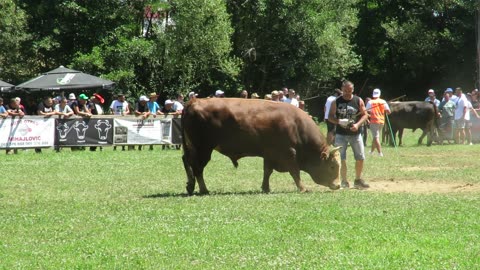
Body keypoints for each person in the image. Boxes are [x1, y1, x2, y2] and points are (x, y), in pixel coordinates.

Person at [328, 80, 369, 189]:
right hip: (341, 134)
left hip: (356, 134)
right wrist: (339, 122)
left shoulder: (358, 100)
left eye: (349, 90)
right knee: (341, 158)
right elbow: (330, 117)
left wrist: (357, 125)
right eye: (345, 90)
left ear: (353, 90)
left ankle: (358, 180)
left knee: (360, 157)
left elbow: (365, 115)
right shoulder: (335, 102)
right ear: (342, 89)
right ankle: (344, 181)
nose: (347, 92)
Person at [365, 89, 391, 156]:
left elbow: (366, 111)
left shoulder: (370, 102)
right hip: (381, 121)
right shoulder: (383, 101)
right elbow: (388, 112)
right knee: (375, 136)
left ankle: (380, 153)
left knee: (376, 137)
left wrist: (369, 115)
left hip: (374, 121)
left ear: (373, 94)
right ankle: (371, 151)